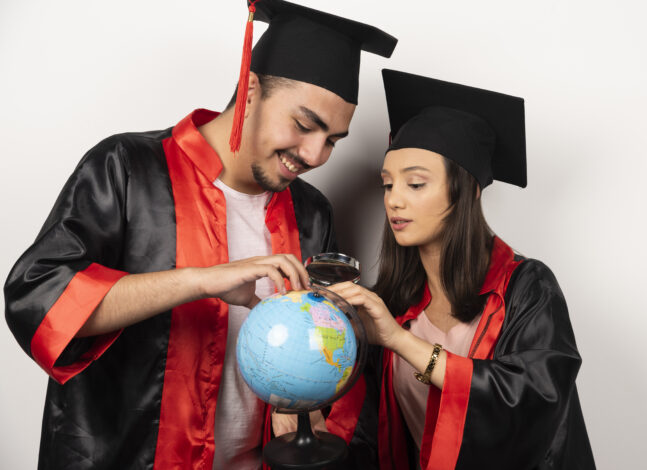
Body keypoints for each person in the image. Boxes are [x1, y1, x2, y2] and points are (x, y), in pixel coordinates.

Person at [3, 1, 395, 469]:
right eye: (305, 125)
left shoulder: (310, 213)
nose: (314, 155)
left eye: (332, 140)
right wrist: (200, 279)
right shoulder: (127, 168)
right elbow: (39, 299)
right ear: (250, 89)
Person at [324, 69, 596, 470]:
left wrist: (400, 342)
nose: (394, 200)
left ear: (465, 190)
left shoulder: (526, 288)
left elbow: (533, 403)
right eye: (387, 184)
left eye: (415, 184)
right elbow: (369, 439)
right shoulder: (391, 304)